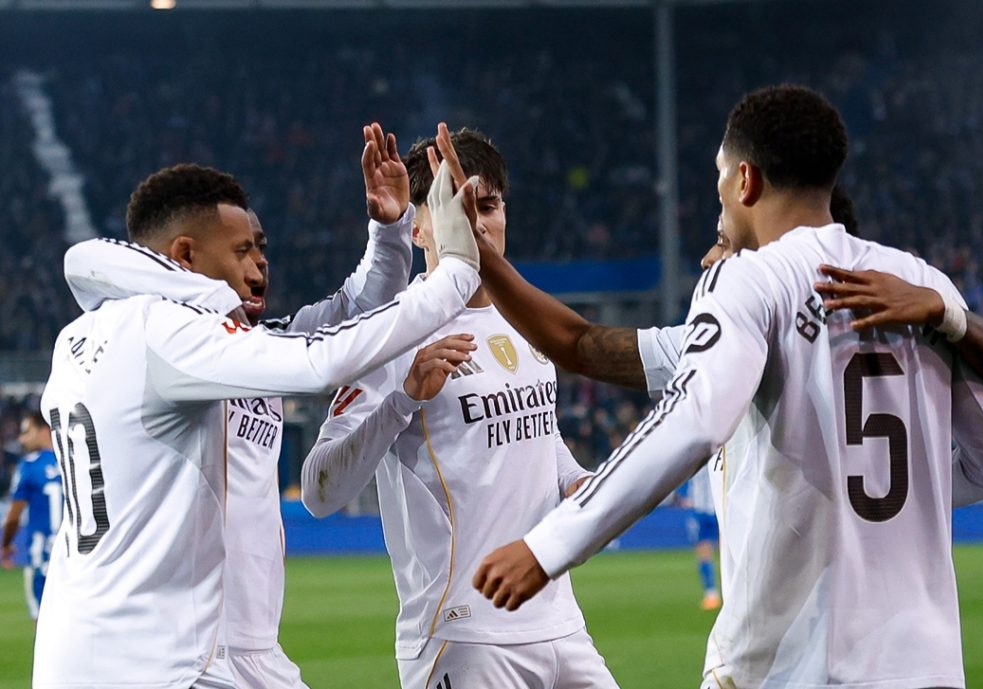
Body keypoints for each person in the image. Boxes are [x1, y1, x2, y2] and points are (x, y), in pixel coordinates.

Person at [472, 85, 983, 689]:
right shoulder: (920, 283)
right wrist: (883, 486)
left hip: (798, 668)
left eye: (718, 175)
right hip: (927, 666)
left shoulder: (750, 282)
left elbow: (694, 419)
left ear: (745, 179)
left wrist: (550, 545)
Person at [35, 152, 481, 689]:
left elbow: (348, 315)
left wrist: (388, 234)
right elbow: (322, 362)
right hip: (154, 655)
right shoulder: (166, 331)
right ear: (185, 254)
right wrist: (456, 273)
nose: (260, 263)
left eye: (261, 247)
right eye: (242, 249)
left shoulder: (125, 335)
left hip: (212, 645)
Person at [300, 125, 619, 689]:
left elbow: (536, 435)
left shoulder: (528, 319)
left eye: (488, 205)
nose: (476, 222)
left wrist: (575, 480)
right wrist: (403, 400)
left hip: (562, 625)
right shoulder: (391, 334)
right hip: (463, 633)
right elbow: (319, 492)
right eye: (456, 207)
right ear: (417, 227)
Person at [1, 411, 62, 621]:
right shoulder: (73, 461)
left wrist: (6, 544)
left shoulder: (29, 465)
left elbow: (14, 515)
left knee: (43, 624)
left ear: (44, 430)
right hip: (73, 555)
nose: (21, 439)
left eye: (27, 432)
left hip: (41, 554)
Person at [677, 466, 720, 611]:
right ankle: (711, 593)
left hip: (718, 508)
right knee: (704, 551)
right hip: (701, 509)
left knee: (727, 551)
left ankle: (718, 593)